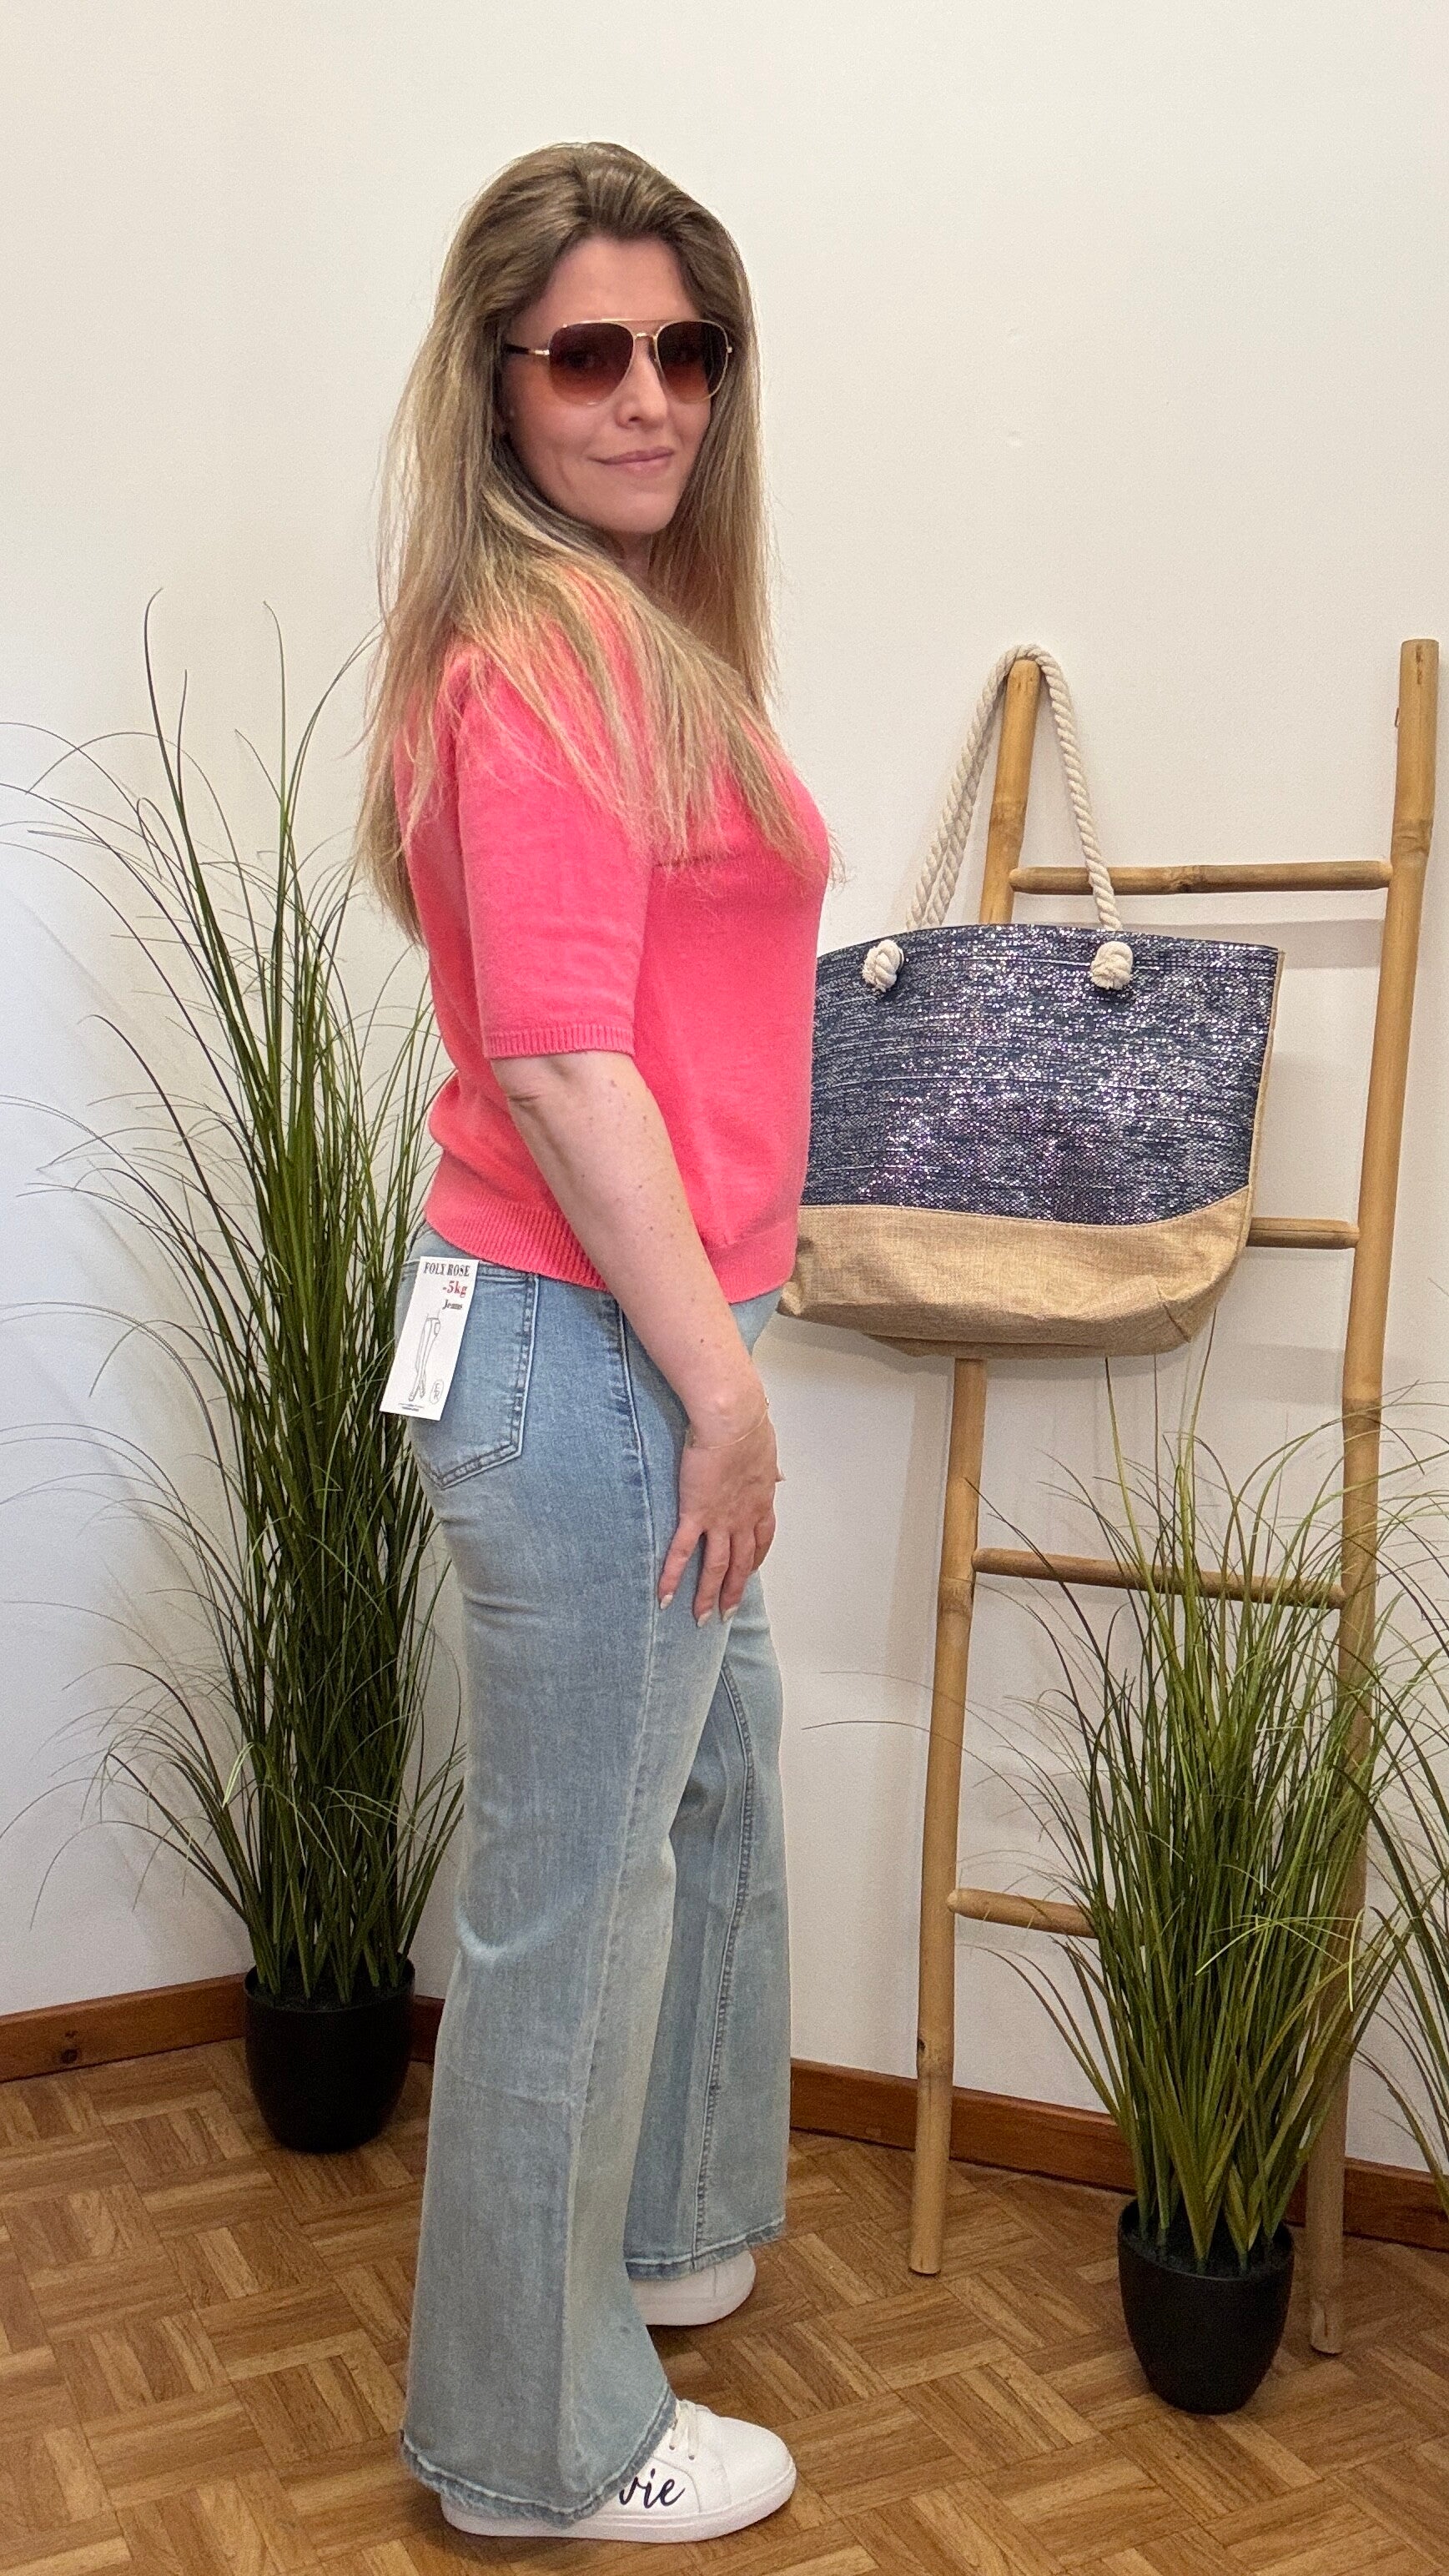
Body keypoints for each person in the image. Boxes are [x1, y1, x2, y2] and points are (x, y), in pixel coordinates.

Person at [356, 141, 833, 2543]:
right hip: (593, 1359)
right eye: (590, 354)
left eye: (686, 349)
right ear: (500, 383)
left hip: (627, 1331)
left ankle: (651, 2239)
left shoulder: (638, 637)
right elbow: (556, 1062)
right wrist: (723, 1390)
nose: (649, 397)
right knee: (571, 1904)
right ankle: (530, 2446)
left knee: (700, 1793)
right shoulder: (531, 663)